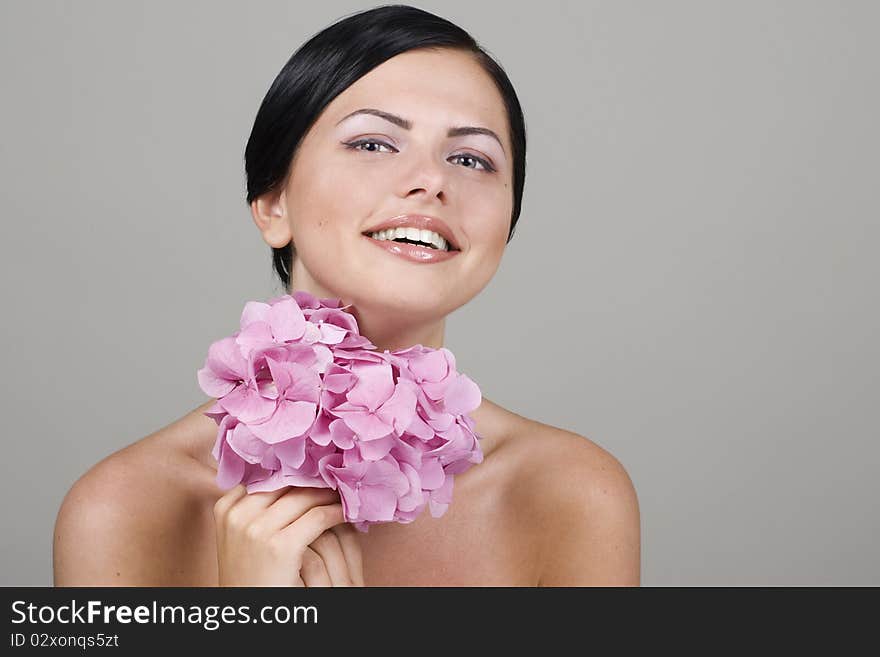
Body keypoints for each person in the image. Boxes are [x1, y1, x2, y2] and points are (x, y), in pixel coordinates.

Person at [53, 4, 640, 587]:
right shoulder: (125, 509)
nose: (432, 180)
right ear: (272, 202)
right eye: (373, 144)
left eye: (471, 158)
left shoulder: (570, 493)